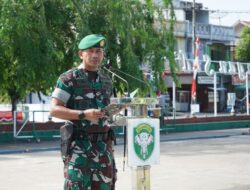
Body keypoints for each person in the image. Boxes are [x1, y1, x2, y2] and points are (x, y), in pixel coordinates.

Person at [50, 34, 117, 190]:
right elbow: (54, 109)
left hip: (103, 149)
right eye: (91, 51)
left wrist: (117, 111)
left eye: (99, 51)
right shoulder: (69, 79)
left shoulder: (106, 81)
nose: (95, 55)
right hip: (79, 149)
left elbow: (107, 112)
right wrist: (83, 114)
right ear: (81, 54)